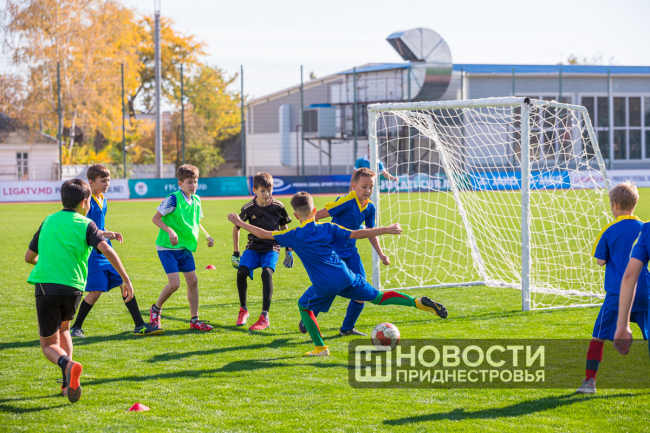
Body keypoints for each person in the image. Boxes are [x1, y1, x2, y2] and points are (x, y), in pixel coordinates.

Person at [227, 191, 449, 357]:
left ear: (295, 215)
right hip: (346, 276)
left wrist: (239, 222)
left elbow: (263, 234)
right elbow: (358, 233)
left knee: (304, 306)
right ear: (315, 211)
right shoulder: (328, 228)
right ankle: (418, 302)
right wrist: (387, 229)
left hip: (324, 284)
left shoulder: (293, 235)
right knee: (379, 297)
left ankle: (320, 347)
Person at [25, 179, 135, 403]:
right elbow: (107, 251)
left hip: (46, 285)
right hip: (73, 287)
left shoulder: (48, 220)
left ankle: (67, 364)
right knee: (65, 329)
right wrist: (126, 279)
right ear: (85, 202)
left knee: (49, 345)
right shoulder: (87, 224)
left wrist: (45, 263)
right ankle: (67, 384)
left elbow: (29, 257)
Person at [70, 165, 162, 337]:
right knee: (95, 292)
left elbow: (99, 226)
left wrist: (108, 232)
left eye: (108, 180)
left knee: (124, 282)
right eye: (103, 181)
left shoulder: (103, 200)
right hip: (92, 253)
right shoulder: (85, 202)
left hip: (105, 250)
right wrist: (105, 234)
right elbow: (85, 229)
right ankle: (76, 327)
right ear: (91, 182)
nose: (107, 184)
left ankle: (139, 325)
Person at [577, 181, 649, 394]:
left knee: (598, 335)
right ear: (634, 205)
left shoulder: (609, 230)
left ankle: (590, 381)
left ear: (614, 204)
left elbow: (600, 261)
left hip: (618, 294)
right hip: (645, 292)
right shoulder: (644, 228)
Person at [149, 164, 215, 331]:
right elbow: (156, 218)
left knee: (193, 281)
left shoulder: (197, 200)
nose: (193, 185)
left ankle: (195, 320)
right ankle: (155, 309)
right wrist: (170, 231)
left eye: (195, 182)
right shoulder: (173, 199)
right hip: (167, 248)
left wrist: (207, 235)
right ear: (180, 183)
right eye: (190, 182)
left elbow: (196, 221)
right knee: (174, 284)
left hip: (185, 248)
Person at [232, 172, 293, 330]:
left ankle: (264, 316)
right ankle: (243, 309)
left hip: (272, 248)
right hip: (253, 247)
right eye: (263, 191)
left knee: (266, 273)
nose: (267, 194)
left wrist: (288, 249)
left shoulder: (278, 206)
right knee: (241, 272)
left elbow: (284, 227)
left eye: (269, 190)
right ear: (254, 190)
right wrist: (236, 252)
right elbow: (236, 227)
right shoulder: (248, 208)